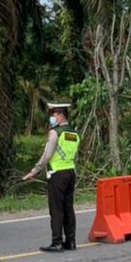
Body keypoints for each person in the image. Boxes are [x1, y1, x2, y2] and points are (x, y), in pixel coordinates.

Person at [23, 102, 80, 252]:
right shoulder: (73, 133)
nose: (51, 118)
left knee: (56, 210)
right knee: (68, 208)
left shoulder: (56, 132)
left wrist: (35, 171)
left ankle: (57, 242)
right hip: (70, 173)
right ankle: (71, 241)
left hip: (57, 174)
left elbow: (47, 155)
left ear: (60, 116)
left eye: (53, 115)